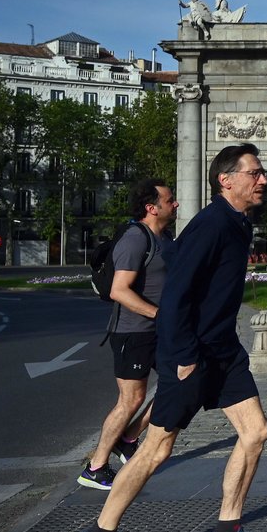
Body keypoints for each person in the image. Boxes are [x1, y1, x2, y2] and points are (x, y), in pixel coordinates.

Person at [69, 143, 267, 532]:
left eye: (261, 173)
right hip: (192, 353)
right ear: (226, 179)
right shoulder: (211, 224)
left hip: (223, 349)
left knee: (255, 432)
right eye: (254, 173)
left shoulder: (239, 222)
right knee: (156, 448)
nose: (262, 180)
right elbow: (177, 293)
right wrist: (182, 357)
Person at [76, 179, 177, 490]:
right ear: (152, 208)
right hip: (132, 333)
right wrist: (161, 315)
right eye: (169, 200)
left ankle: (130, 437)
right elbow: (120, 290)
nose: (175, 204)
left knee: (182, 383)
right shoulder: (136, 239)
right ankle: (95, 467)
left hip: (160, 331)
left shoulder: (165, 238)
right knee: (130, 399)